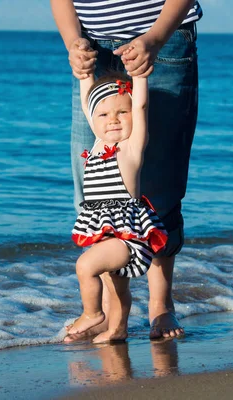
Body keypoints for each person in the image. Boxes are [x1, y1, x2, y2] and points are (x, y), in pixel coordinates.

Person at [51, 0, 202, 339]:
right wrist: (73, 42)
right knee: (91, 190)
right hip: (91, 44)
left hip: (160, 38)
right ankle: (111, 314)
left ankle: (161, 306)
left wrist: (155, 38)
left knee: (160, 186)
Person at [66, 72, 168, 343]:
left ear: (133, 113)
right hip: (108, 234)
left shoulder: (131, 147)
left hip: (128, 238)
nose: (112, 120)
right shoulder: (99, 143)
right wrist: (85, 75)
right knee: (116, 287)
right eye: (104, 115)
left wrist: (141, 77)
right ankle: (118, 329)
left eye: (122, 112)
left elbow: (141, 105)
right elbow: (90, 103)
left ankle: (92, 313)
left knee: (85, 266)